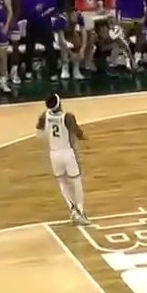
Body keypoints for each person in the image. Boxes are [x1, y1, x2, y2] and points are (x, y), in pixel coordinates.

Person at [36, 94, 88, 225]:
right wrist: (84, 138)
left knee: (62, 182)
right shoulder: (67, 117)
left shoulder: (44, 116)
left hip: (54, 153)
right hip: (67, 152)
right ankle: (80, 210)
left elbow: (39, 133)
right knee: (76, 181)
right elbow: (78, 133)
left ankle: (72, 208)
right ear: (59, 103)